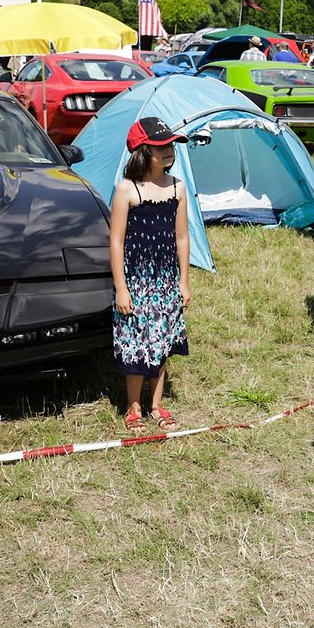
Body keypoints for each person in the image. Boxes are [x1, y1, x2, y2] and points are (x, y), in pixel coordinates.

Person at [109, 116, 193, 436]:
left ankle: (156, 404)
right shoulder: (127, 190)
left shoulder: (177, 188)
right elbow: (116, 241)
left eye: (171, 144)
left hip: (165, 281)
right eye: (161, 146)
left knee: (160, 343)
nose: (169, 150)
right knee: (136, 344)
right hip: (135, 281)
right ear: (143, 152)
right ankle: (134, 406)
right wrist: (121, 288)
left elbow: (182, 237)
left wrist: (183, 280)